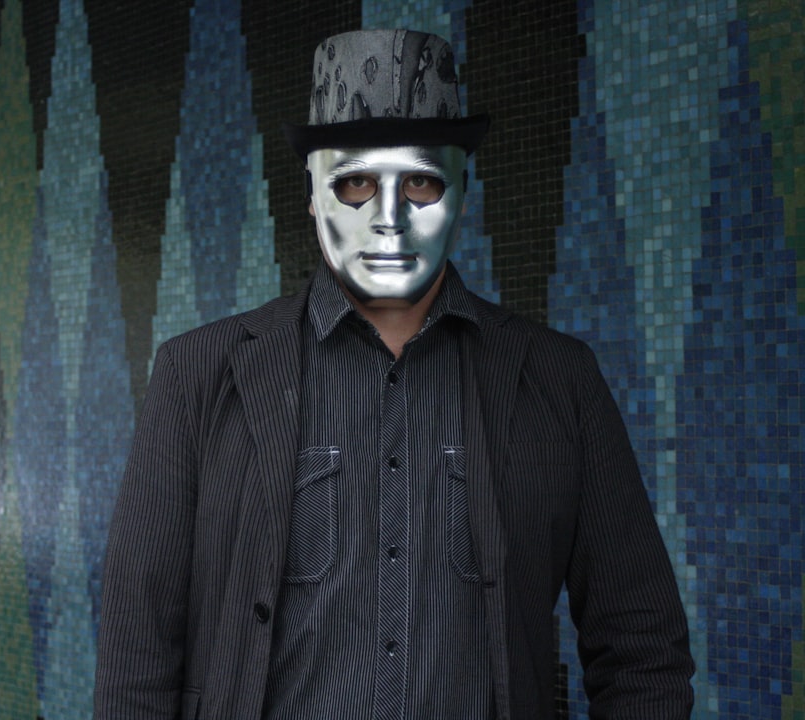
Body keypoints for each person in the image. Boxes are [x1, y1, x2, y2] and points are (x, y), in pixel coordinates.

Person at [95, 28, 694, 719]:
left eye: (420, 182)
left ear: (461, 191)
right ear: (312, 193)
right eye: (355, 183)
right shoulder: (199, 374)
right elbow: (136, 649)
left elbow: (641, 645)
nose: (390, 220)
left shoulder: (559, 380)